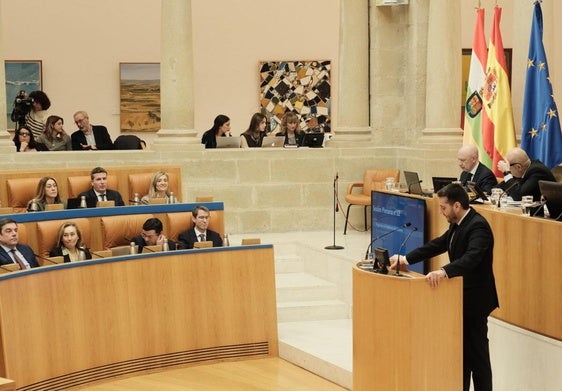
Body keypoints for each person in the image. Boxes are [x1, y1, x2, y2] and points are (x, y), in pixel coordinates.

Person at [389, 183, 498, 391]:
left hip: (475, 301)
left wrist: (443, 271)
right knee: (462, 357)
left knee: (478, 359)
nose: (441, 212)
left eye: (443, 208)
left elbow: (472, 258)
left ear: (457, 206)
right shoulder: (458, 224)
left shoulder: (478, 226)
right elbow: (439, 244)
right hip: (459, 298)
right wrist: (406, 259)